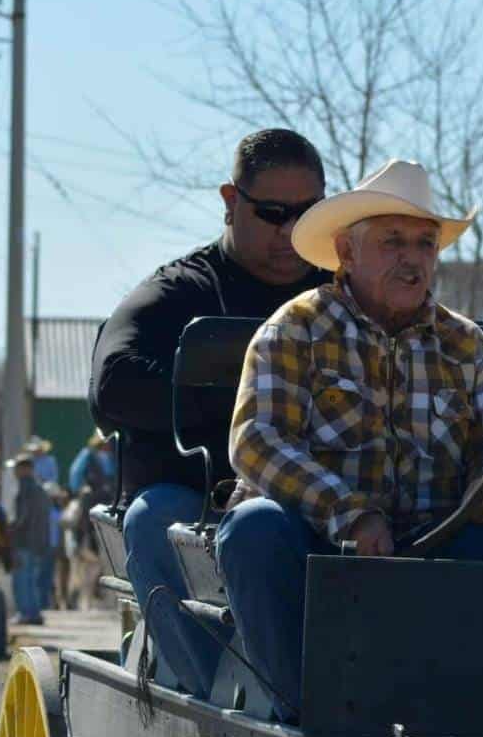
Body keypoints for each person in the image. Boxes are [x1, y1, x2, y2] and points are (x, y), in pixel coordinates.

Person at [212, 159, 483, 716]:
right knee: (252, 530)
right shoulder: (294, 330)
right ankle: (304, 716)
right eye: (392, 242)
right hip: (319, 549)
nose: (412, 261)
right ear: (346, 251)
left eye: (425, 244)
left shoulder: (469, 347)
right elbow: (256, 442)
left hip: (441, 548)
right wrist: (351, 513)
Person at [90, 129, 330, 667]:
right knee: (153, 518)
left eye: (306, 213)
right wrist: (252, 411)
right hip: (196, 498)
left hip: (323, 499)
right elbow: (112, 386)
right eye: (271, 212)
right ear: (230, 202)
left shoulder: (342, 294)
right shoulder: (180, 291)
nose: (289, 230)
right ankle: (204, 696)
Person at [8, 451, 53, 625]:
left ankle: (25, 613)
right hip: (37, 543)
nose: (14, 472)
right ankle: (34, 613)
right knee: (31, 580)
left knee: (22, 579)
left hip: (24, 541)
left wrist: (11, 529)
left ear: (24, 469)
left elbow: (22, 517)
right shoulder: (39, 488)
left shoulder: (25, 488)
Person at [69, 432, 118, 505]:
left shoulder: (112, 456)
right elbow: (76, 472)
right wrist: (79, 488)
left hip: (109, 491)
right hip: (92, 489)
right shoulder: (88, 454)